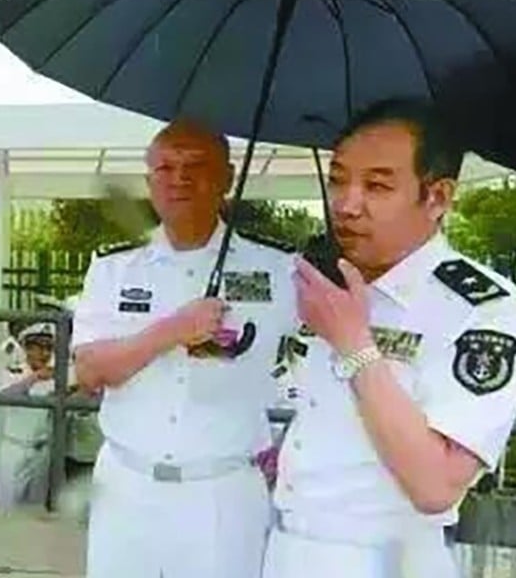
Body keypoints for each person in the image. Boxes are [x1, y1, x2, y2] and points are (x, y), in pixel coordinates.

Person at [263, 99, 516, 578]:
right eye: (338, 179)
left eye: (376, 185)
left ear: (438, 197)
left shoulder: (484, 309)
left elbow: (436, 485)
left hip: (386, 561)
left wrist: (354, 345)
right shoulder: (330, 282)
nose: (347, 203)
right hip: (286, 548)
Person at [72, 118, 298, 578]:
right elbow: (91, 371)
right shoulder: (115, 267)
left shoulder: (278, 270)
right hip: (126, 486)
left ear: (228, 179)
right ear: (149, 179)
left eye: (196, 166)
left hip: (222, 493)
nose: (179, 179)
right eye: (166, 167)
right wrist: (173, 329)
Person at [0, 322, 57, 506]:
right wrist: (34, 378)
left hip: (41, 450)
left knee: (36, 508)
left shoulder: (56, 376)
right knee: (8, 505)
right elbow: (2, 396)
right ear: (27, 348)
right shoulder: (14, 371)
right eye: (39, 348)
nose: (45, 354)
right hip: (15, 447)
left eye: (48, 348)